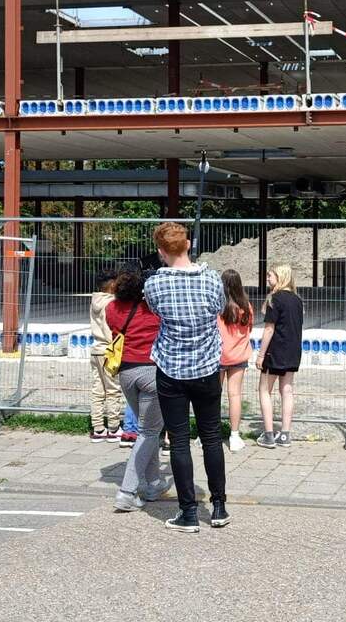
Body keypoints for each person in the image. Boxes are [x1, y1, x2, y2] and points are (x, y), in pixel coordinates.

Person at [144, 222, 228, 533]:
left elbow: (155, 312)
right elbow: (219, 308)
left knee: (179, 442)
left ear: (161, 251)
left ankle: (188, 512)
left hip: (171, 368)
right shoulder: (211, 279)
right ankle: (218, 507)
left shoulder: (154, 284)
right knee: (211, 438)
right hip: (206, 367)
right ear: (188, 244)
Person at [105, 266, 170, 512]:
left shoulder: (112, 309)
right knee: (149, 431)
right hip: (152, 372)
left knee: (147, 430)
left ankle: (153, 484)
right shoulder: (153, 309)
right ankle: (127, 491)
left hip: (126, 373)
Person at [254, 264, 304, 449]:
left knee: (264, 390)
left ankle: (268, 435)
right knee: (287, 391)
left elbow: (269, 329)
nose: (267, 278)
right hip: (293, 350)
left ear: (280, 277)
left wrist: (260, 355)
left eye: (270, 275)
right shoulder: (297, 300)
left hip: (275, 350)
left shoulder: (275, 299)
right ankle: (285, 434)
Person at [217, 269, 253, 453]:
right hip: (238, 355)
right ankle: (235, 435)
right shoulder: (246, 306)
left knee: (213, 395)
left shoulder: (217, 306)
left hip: (218, 356)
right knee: (235, 395)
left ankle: (208, 433)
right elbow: (249, 329)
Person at [88, 269, 124, 443]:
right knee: (113, 390)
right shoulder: (112, 303)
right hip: (109, 351)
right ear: (112, 284)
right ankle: (114, 428)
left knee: (97, 390)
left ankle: (98, 428)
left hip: (95, 349)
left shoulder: (95, 300)